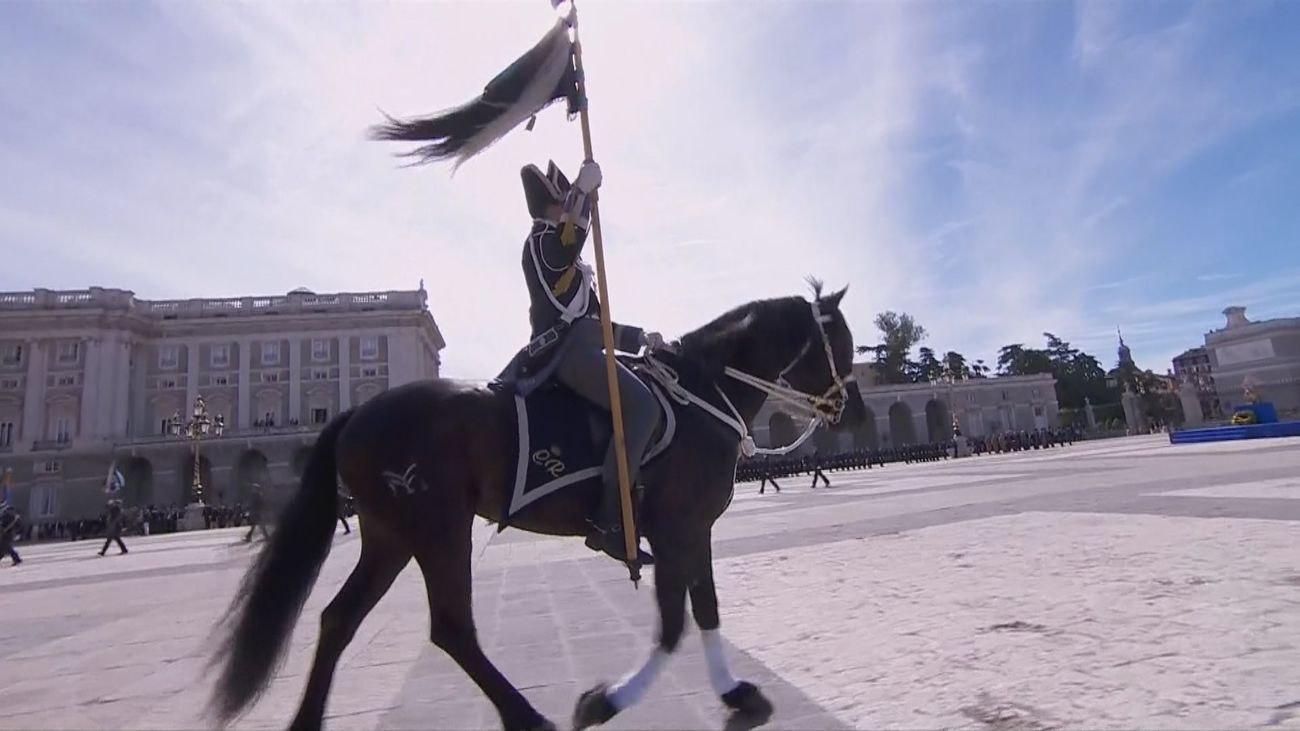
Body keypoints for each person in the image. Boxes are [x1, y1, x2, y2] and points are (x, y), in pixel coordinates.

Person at [518, 159, 661, 565]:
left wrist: (638, 338)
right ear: (552, 204)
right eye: (563, 198)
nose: (569, 205)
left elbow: (597, 323)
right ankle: (607, 519)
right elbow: (566, 246)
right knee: (642, 408)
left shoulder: (567, 256)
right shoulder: (541, 242)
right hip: (563, 353)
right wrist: (582, 194)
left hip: (583, 344)